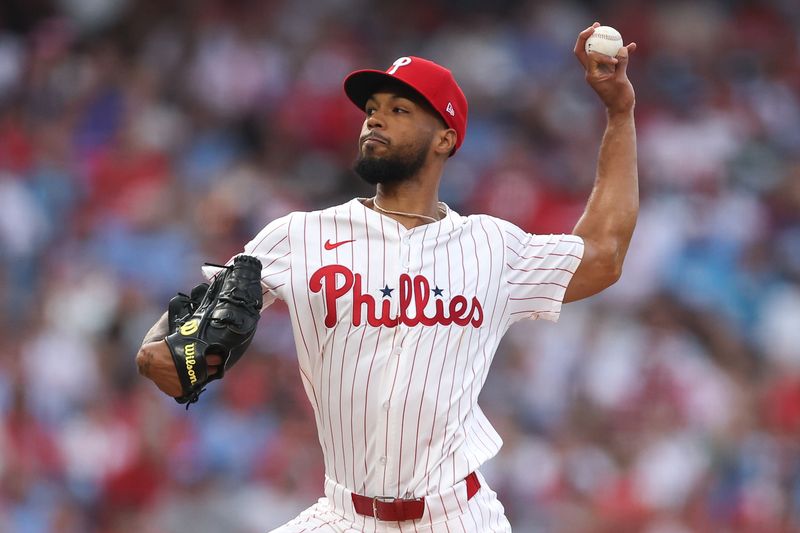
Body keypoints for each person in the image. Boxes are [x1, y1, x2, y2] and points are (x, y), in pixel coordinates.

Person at [136, 22, 638, 532]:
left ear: (445, 138)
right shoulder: (297, 236)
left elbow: (603, 255)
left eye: (399, 111)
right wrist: (168, 350)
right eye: (372, 109)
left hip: (455, 517)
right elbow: (167, 364)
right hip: (343, 515)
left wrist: (620, 113)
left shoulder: (492, 247)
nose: (375, 121)